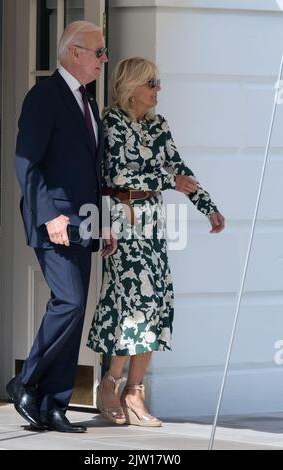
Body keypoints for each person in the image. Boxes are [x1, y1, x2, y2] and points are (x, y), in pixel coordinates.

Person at [87, 57, 225, 427]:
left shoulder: (160, 125)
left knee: (155, 302)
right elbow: (117, 173)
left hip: (152, 224)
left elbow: (179, 170)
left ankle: (134, 391)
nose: (158, 89)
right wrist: (167, 183)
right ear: (133, 88)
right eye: (152, 83)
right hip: (122, 221)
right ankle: (112, 385)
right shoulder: (111, 121)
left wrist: (208, 207)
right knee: (131, 302)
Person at [6, 21, 112, 433]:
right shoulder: (43, 97)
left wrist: (102, 221)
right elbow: (25, 162)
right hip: (55, 220)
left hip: (84, 222)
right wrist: (49, 214)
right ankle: (26, 381)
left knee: (75, 309)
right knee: (67, 302)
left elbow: (91, 169)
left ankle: (53, 404)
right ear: (74, 53)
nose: (104, 59)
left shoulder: (89, 101)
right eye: (99, 52)